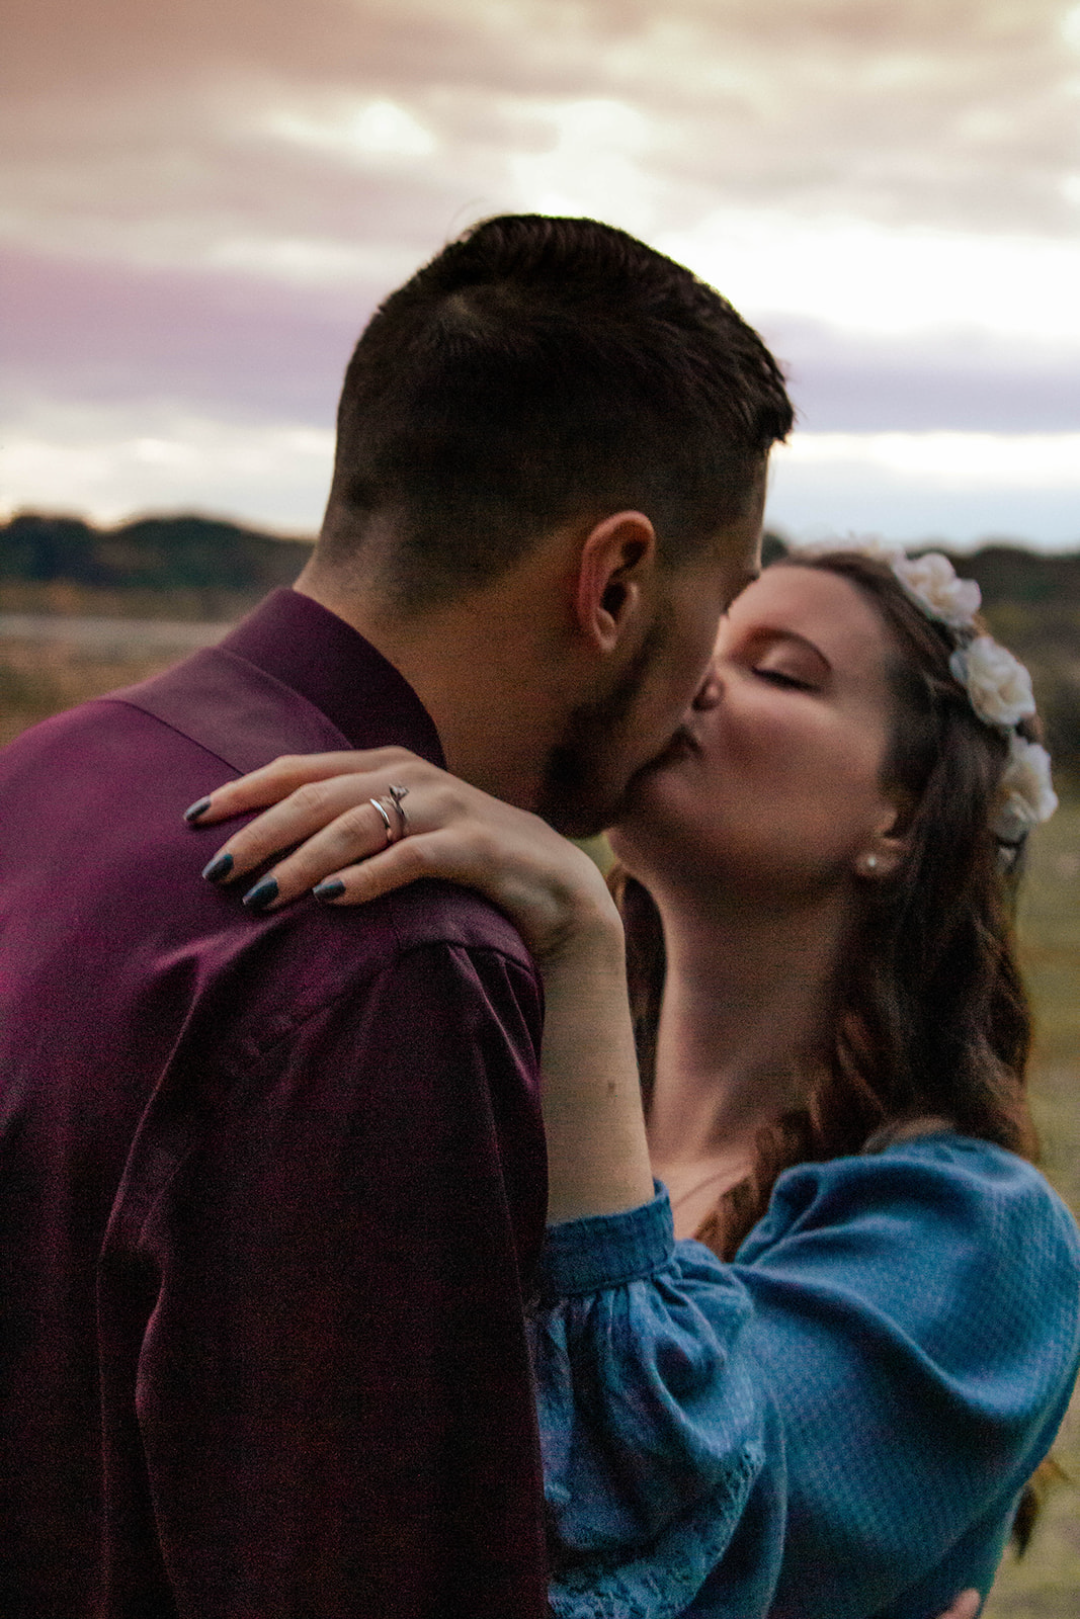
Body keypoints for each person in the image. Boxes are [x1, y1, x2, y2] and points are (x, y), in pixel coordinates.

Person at [0, 216, 791, 1618]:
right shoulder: (391, 952)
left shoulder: (46, 777)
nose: (699, 696)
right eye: (715, 613)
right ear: (611, 581)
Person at [188, 545, 1080, 1617]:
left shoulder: (977, 1238)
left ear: (900, 818)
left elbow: (662, 1520)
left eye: (783, 671)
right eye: (712, 640)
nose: (701, 674)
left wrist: (573, 931)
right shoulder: (505, 1122)